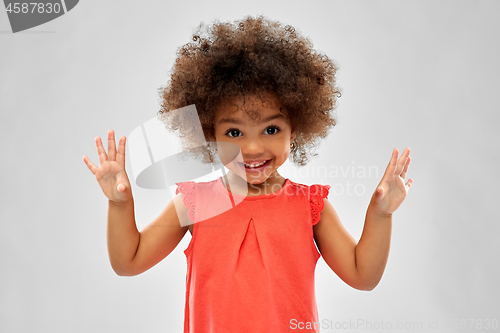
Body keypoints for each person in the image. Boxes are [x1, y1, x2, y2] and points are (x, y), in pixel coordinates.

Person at [83, 15, 412, 333]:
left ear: (294, 128)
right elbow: (129, 261)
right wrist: (119, 203)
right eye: (234, 133)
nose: (253, 148)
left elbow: (362, 275)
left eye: (270, 129)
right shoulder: (195, 203)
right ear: (211, 133)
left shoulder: (309, 206)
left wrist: (380, 213)